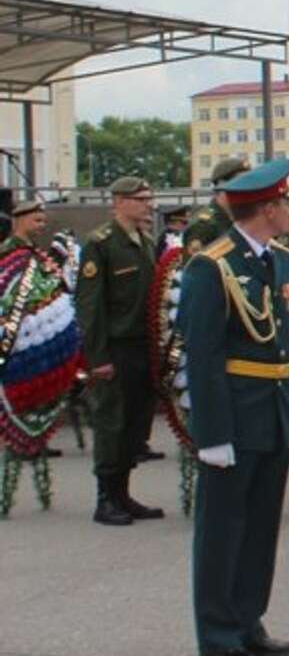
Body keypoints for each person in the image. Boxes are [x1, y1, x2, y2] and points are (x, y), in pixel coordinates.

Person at [178, 158, 289, 656]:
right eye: (286, 202)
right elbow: (203, 354)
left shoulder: (278, 260)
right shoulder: (211, 266)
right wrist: (210, 435)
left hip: (272, 410)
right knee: (221, 532)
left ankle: (248, 620)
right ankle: (217, 635)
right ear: (269, 209)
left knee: (259, 528)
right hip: (234, 413)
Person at [76, 176, 167, 525]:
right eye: (141, 198)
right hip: (115, 347)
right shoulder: (101, 243)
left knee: (135, 422)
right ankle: (105, 498)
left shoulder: (144, 240)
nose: (148, 204)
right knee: (112, 421)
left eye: (149, 197)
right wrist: (97, 358)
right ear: (119, 201)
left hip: (141, 346)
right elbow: (90, 305)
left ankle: (123, 493)